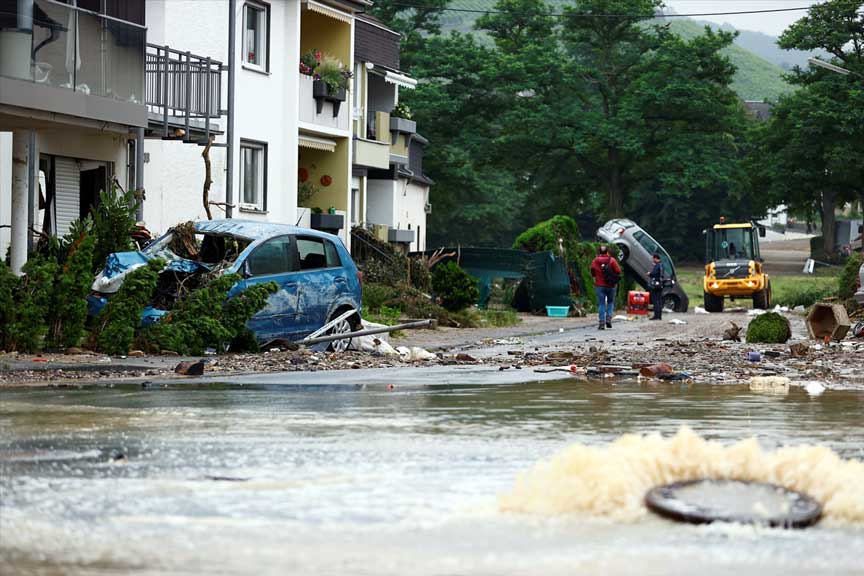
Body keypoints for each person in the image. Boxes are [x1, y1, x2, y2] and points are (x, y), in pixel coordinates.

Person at [590, 245, 621, 330]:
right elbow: (618, 271)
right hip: (611, 285)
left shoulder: (595, 261)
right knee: (610, 302)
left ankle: (602, 322)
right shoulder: (612, 260)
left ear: (599, 252)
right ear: (607, 252)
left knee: (601, 304)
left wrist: (596, 276)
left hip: (599, 285)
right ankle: (609, 319)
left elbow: (592, 270)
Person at [649, 253, 665, 320]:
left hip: (656, 285)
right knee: (659, 300)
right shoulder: (662, 265)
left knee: (655, 300)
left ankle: (656, 316)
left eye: (653, 258)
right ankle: (659, 316)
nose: (652, 260)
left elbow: (654, 274)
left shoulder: (657, 266)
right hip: (661, 284)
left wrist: (649, 273)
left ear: (656, 258)